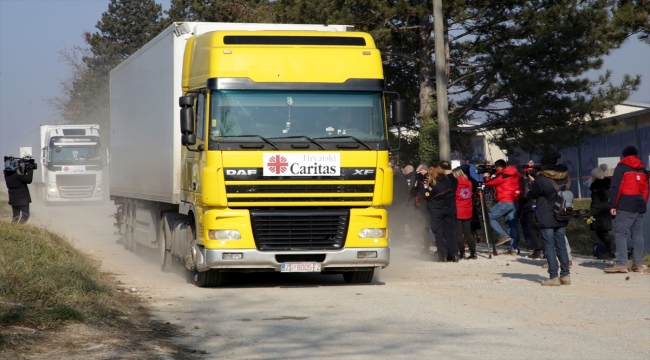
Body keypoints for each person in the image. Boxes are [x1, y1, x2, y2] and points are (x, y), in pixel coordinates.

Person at [527, 152, 571, 286]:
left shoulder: (542, 179)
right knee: (561, 245)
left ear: (544, 165)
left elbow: (531, 194)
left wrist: (532, 183)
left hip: (546, 216)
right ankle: (565, 275)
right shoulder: (566, 177)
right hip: (562, 214)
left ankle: (553, 276)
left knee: (549, 246)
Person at [604, 146, 649, 273]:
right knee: (638, 234)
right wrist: (642, 203)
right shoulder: (643, 170)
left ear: (624, 155)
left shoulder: (621, 168)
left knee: (620, 233)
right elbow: (646, 190)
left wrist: (612, 205)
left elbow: (615, 187)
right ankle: (638, 264)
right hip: (639, 204)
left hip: (625, 204)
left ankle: (621, 263)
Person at [483, 159, 522, 254]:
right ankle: (513, 248)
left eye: (496, 168)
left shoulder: (502, 175)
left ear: (499, 167)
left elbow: (489, 184)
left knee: (489, 217)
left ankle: (502, 235)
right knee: (511, 225)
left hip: (505, 201)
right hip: (514, 201)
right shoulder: (515, 173)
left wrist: (486, 178)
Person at [422, 165, 459, 262]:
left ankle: (442, 255)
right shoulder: (447, 181)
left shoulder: (434, 185)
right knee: (450, 233)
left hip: (436, 211)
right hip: (449, 209)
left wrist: (425, 187)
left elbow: (426, 196)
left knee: (438, 233)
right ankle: (454, 254)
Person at [589, 164, 613, 259]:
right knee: (602, 232)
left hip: (600, 212)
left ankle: (609, 251)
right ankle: (608, 250)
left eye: (593, 175)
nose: (591, 177)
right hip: (605, 210)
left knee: (602, 232)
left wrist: (592, 213)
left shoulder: (597, 188)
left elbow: (595, 202)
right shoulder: (606, 186)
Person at [453, 167, 477, 259]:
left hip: (458, 210)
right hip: (467, 210)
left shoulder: (456, 183)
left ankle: (462, 252)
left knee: (458, 233)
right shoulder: (469, 183)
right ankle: (473, 252)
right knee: (468, 233)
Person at [3, 159, 34, 224]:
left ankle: (13, 227)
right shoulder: (17, 175)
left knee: (15, 215)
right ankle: (20, 227)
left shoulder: (7, 174)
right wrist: (30, 169)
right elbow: (28, 180)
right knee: (26, 214)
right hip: (22, 198)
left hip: (13, 198)